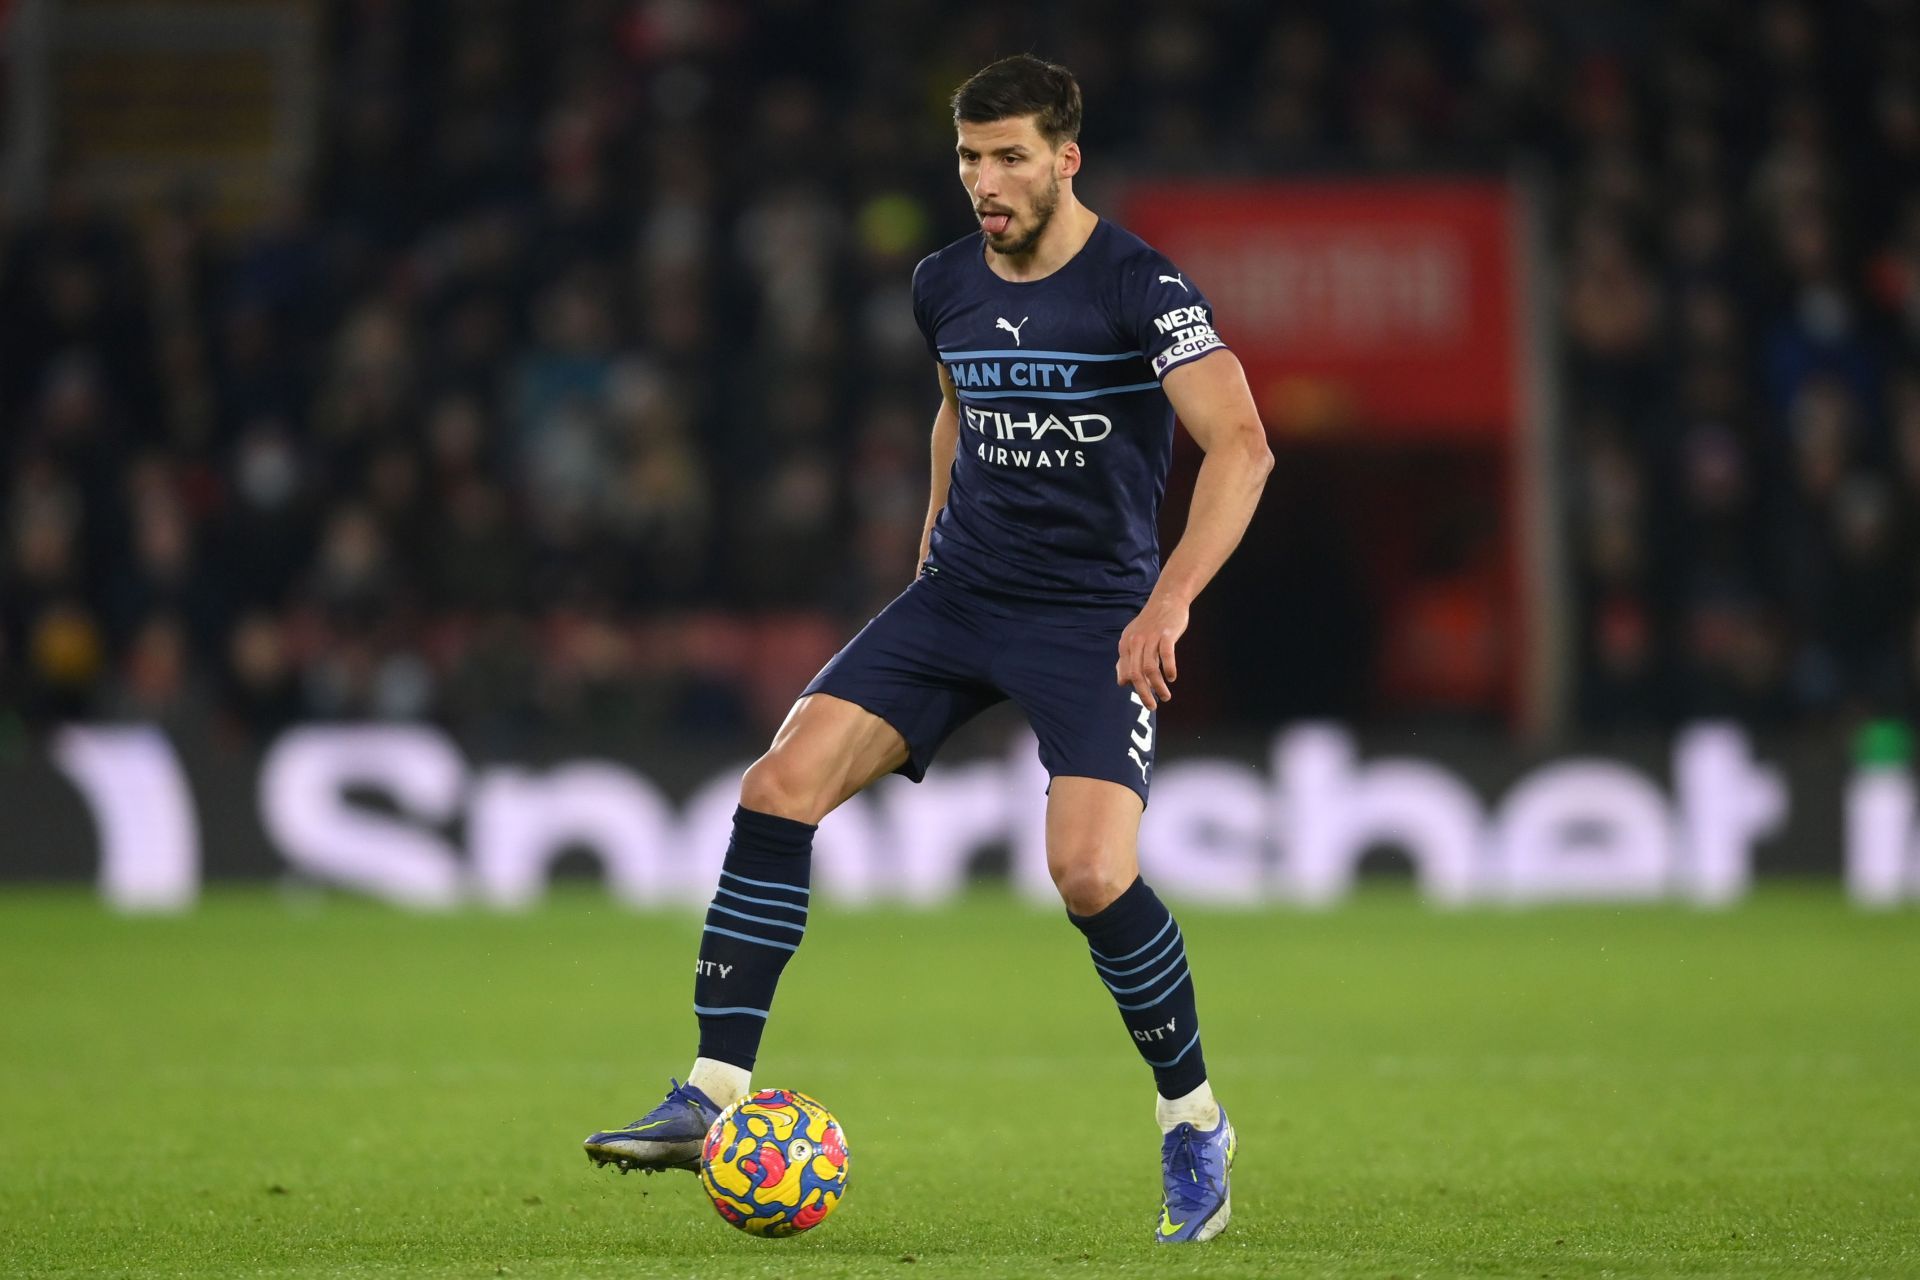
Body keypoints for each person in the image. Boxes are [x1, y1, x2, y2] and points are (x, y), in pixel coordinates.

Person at [584, 54, 1272, 1245]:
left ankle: (1192, 1118)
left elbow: (1245, 445)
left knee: (1092, 876)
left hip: (1091, 616)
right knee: (777, 783)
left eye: (1010, 158)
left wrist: (1169, 603)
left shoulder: (1140, 286)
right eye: (969, 157)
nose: (985, 181)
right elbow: (955, 404)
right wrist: (928, 544)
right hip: (960, 597)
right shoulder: (942, 280)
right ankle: (713, 1090)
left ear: (1065, 159)